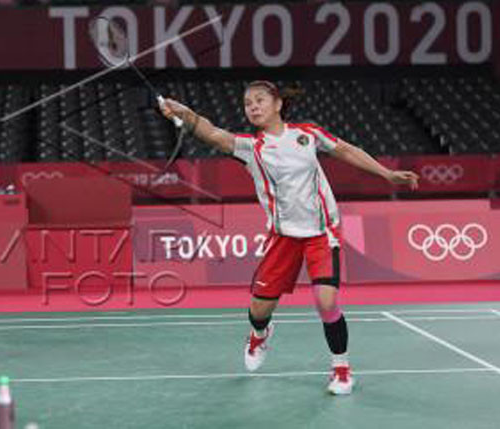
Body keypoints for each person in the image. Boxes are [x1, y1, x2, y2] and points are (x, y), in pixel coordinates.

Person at [158, 80, 419, 395]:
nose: (253, 107)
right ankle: (259, 334)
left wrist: (386, 174)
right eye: (248, 103)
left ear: (278, 104)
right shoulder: (250, 147)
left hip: (322, 231)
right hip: (283, 237)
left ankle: (342, 370)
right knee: (259, 310)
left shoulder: (307, 135)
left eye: (259, 100)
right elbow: (211, 132)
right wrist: (183, 112)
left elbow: (347, 150)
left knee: (326, 300)